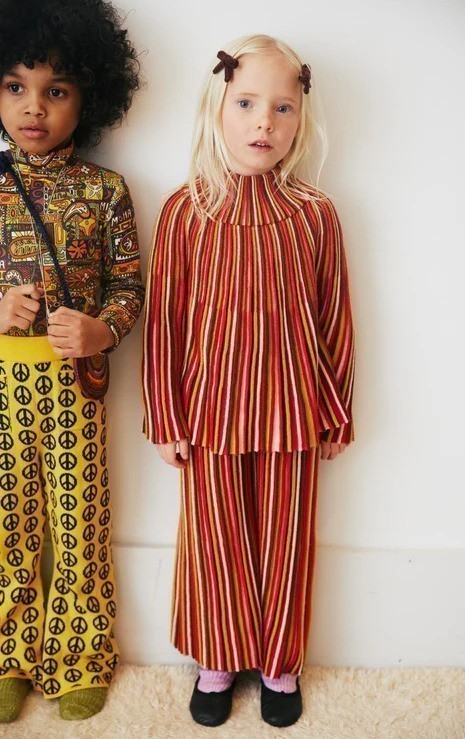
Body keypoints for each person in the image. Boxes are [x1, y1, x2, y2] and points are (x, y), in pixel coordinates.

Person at [142, 34, 354, 728]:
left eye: (282, 107)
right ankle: (218, 657)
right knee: (216, 543)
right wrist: (166, 415)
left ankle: (279, 663)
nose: (264, 121)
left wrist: (337, 411)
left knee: (287, 544)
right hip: (208, 415)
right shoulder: (186, 211)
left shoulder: (315, 215)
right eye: (247, 103)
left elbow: (334, 318)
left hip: (294, 413)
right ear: (218, 108)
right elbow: (166, 322)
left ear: (300, 119)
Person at [0, 0, 144, 722]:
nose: (34, 106)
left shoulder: (105, 190)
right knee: (8, 520)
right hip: (3, 387)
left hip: (74, 389)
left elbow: (130, 286)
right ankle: (8, 654)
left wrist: (101, 331)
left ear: (89, 96)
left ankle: (82, 654)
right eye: (15, 86)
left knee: (79, 519)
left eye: (55, 89)